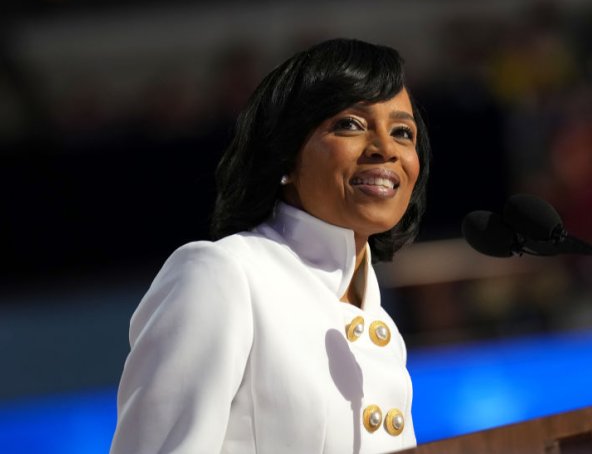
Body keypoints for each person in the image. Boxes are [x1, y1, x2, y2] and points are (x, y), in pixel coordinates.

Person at [110, 38, 430, 453]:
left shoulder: (381, 323)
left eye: (403, 132)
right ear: (284, 156)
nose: (386, 149)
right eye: (350, 124)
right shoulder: (223, 274)